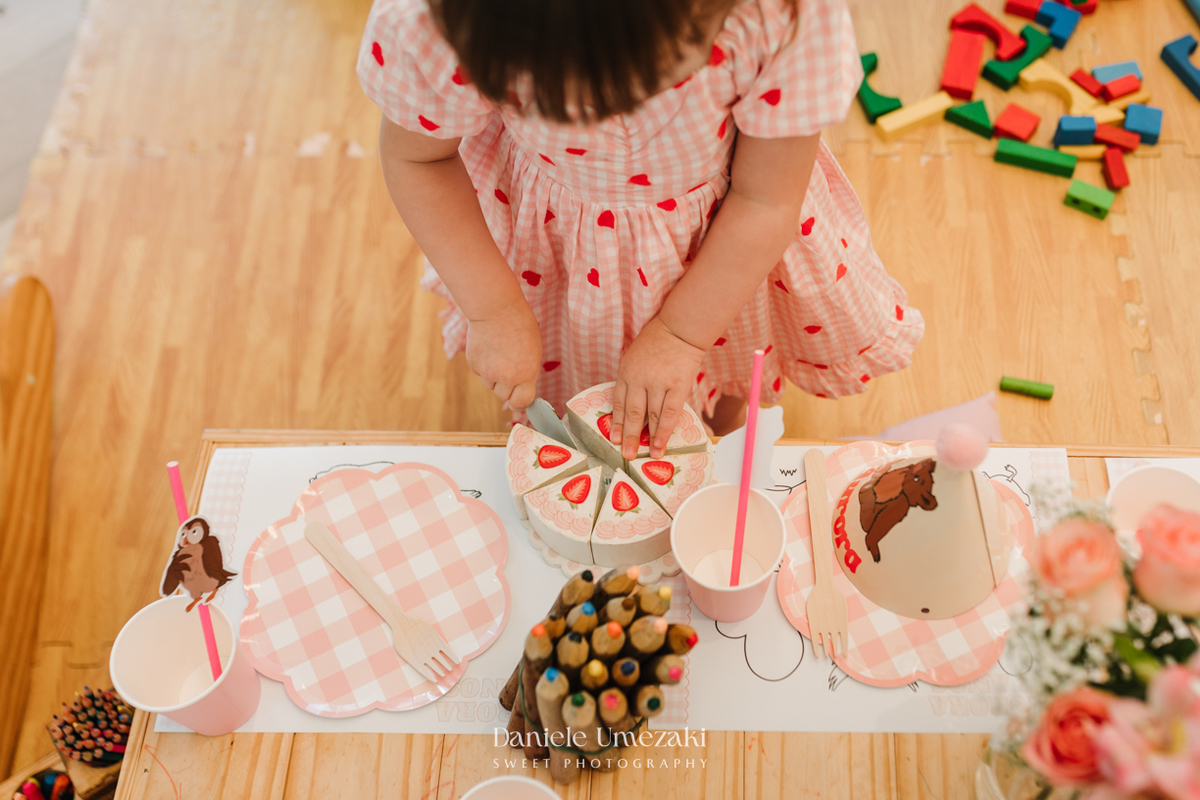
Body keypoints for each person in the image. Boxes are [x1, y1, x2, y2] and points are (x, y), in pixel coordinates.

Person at [358, 0, 923, 460]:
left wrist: (681, 336)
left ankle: (720, 425)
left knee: (722, 382)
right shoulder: (437, 22)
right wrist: (495, 308)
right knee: (570, 380)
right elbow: (419, 159)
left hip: (727, 240)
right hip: (558, 249)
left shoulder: (782, 15)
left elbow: (765, 199)